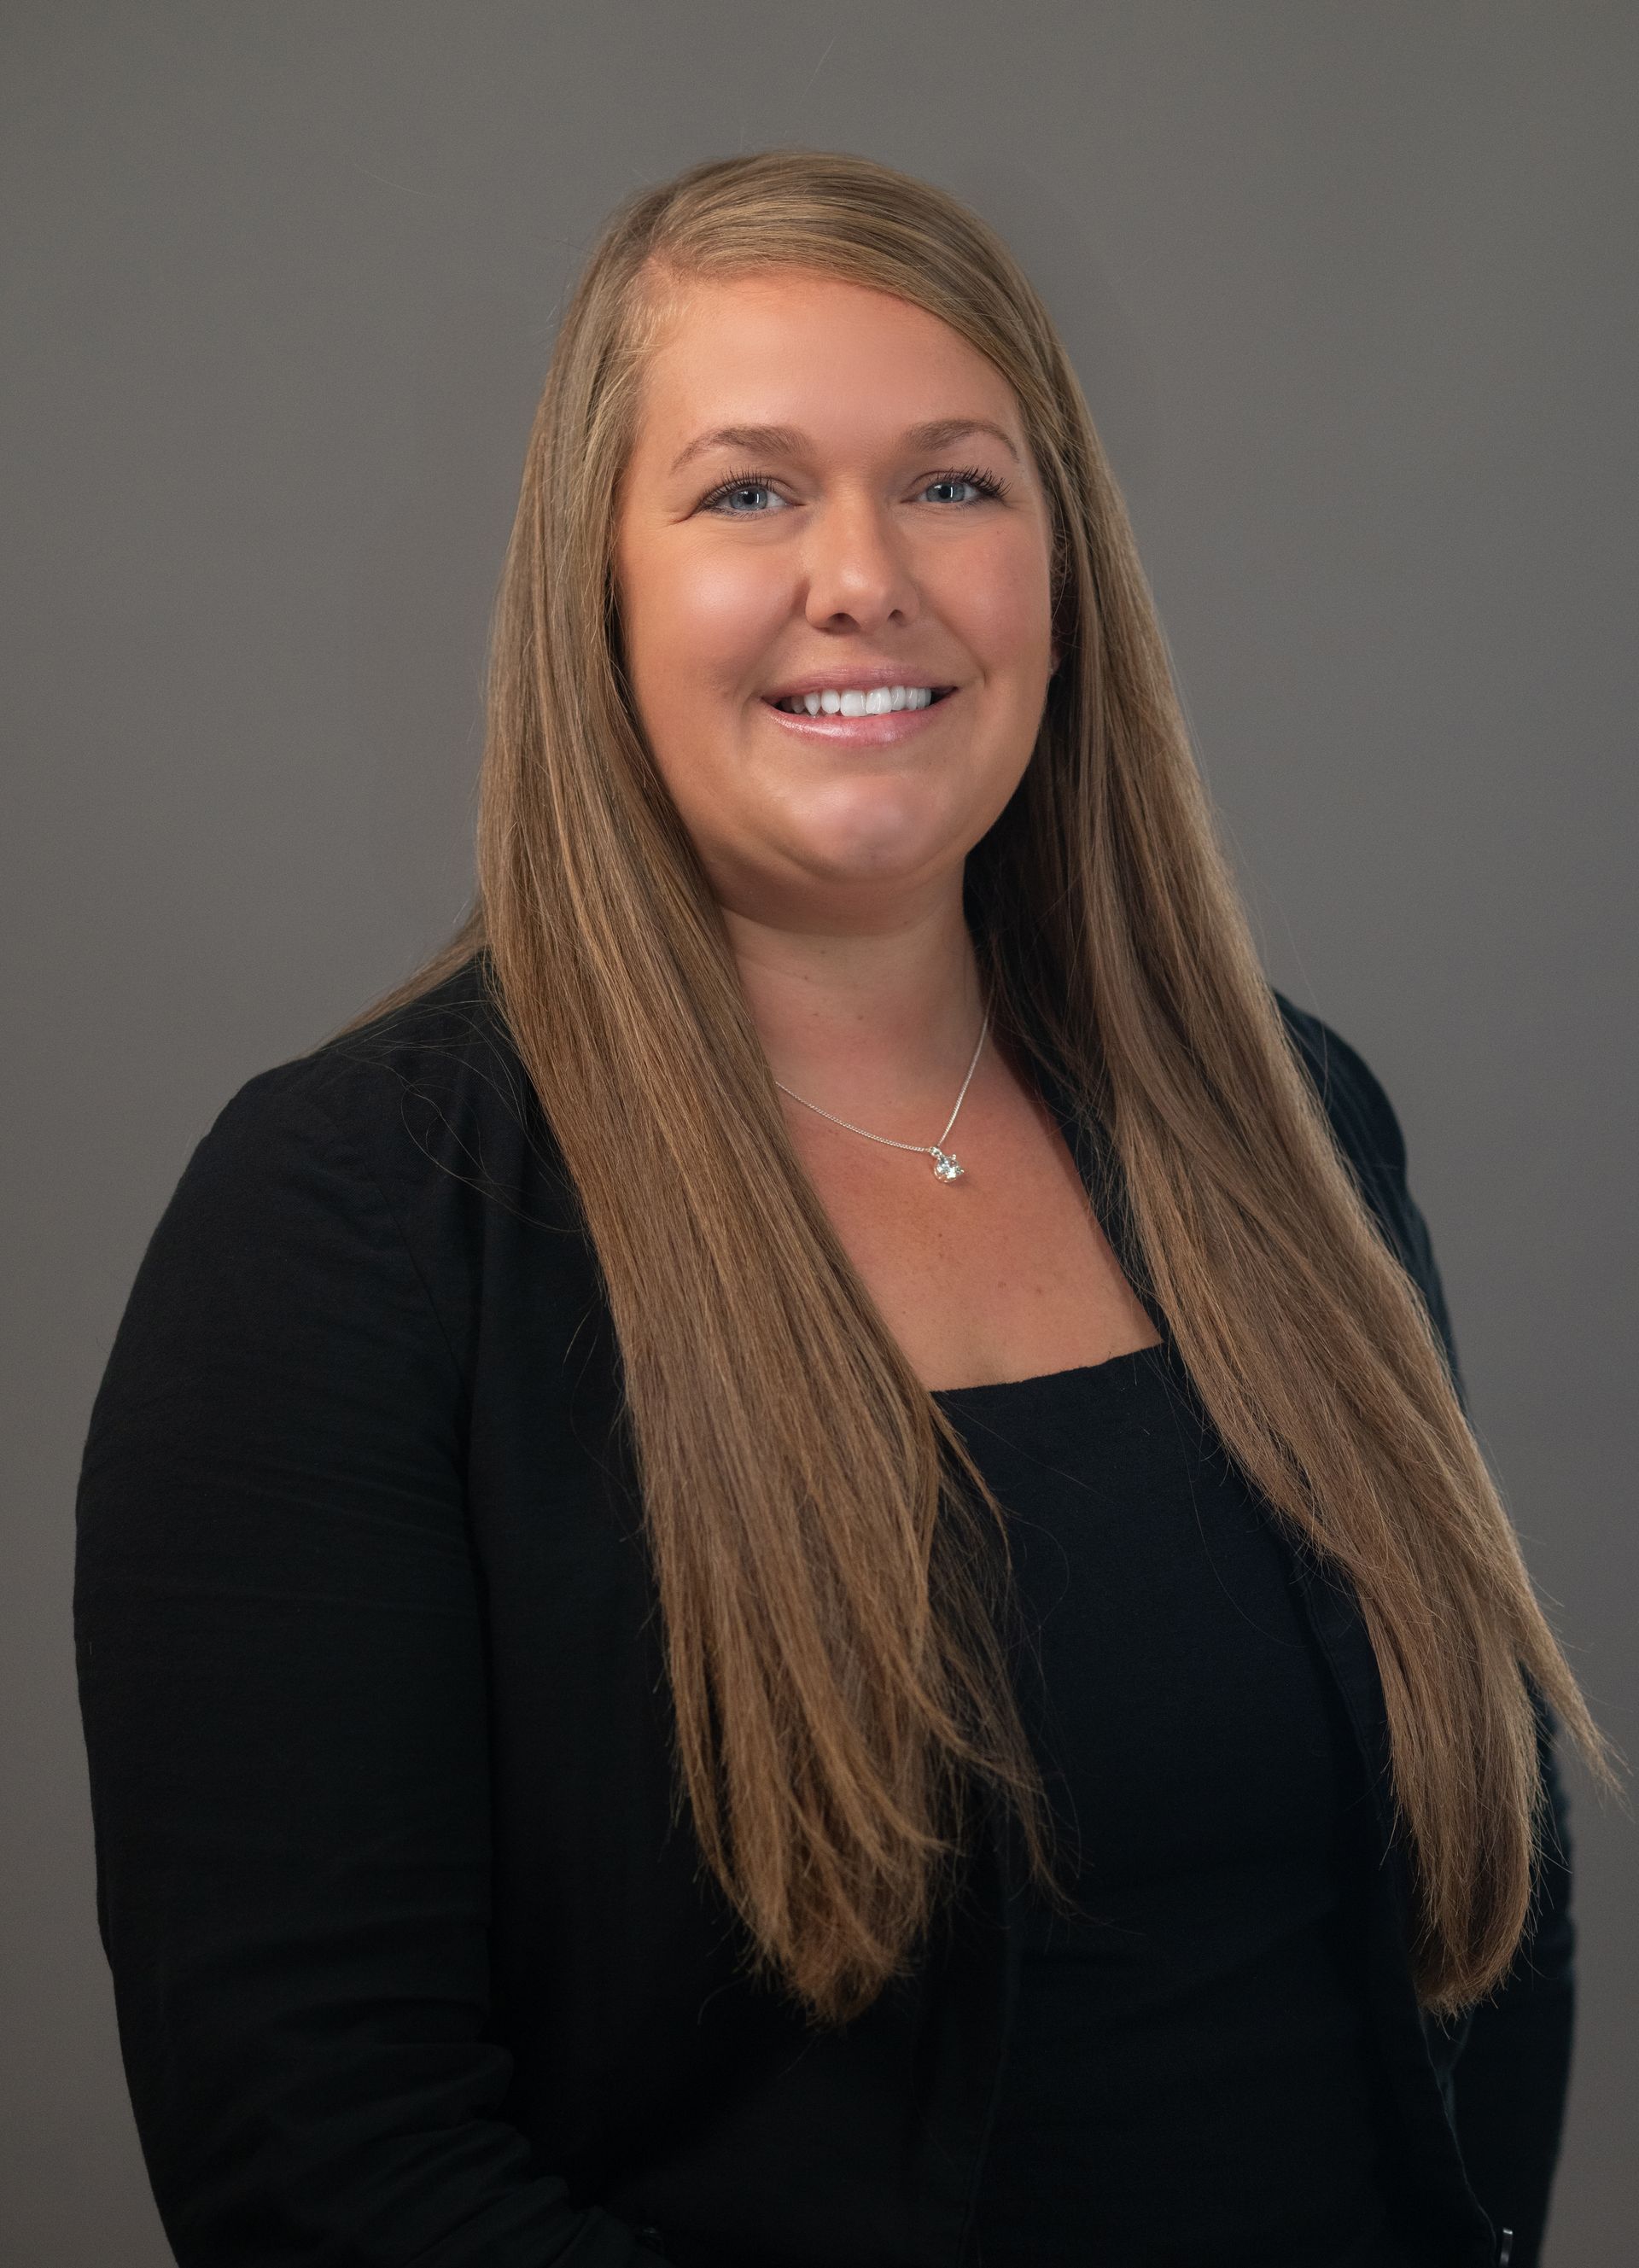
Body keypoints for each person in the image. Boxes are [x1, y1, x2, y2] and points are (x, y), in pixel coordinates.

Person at [73, 149, 1618, 2268]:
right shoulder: (353, 1225)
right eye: (746, 492)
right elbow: (327, 2163)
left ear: (1061, 579)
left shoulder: (1291, 1123)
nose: (864, 575)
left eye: (957, 485)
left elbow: (1478, 1943)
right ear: (597, 589)